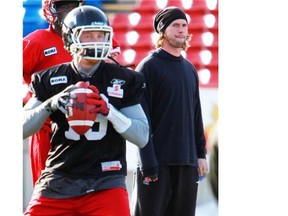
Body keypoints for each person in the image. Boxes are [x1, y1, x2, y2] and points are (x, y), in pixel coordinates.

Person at [23, 5, 148, 215]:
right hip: (59, 178)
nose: (97, 40)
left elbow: (142, 136)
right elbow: (20, 128)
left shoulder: (124, 79)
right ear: (70, 39)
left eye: (101, 35)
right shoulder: (50, 78)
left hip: (106, 180)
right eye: (89, 35)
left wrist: (110, 111)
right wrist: (50, 104)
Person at [134, 6, 208, 216]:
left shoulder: (189, 69)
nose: (181, 30)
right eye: (175, 25)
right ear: (162, 31)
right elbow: (142, 121)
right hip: (157, 163)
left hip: (187, 161)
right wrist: (148, 162)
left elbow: (196, 115)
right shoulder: (148, 67)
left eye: (184, 25)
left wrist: (200, 154)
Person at [23, 0, 85, 186]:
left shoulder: (91, 37)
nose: (69, 10)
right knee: (48, 188)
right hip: (48, 128)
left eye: (72, 5)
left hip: (87, 128)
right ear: (50, 10)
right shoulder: (35, 42)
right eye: (62, 6)